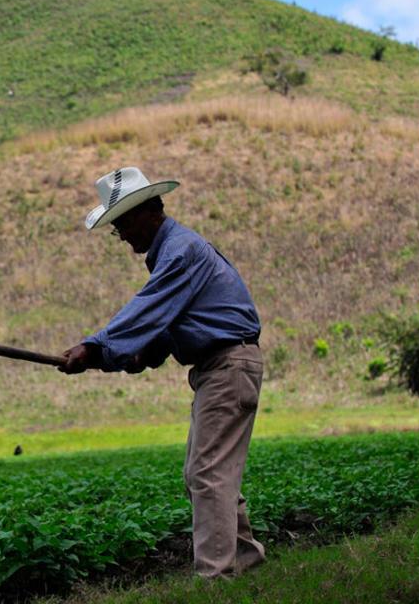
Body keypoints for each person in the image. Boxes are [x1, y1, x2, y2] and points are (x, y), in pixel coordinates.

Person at [59, 166, 266, 579]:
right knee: (204, 474)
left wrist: (95, 347)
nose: (123, 234)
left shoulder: (180, 252)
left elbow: (148, 308)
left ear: (153, 209)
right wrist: (135, 356)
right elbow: (168, 325)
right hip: (220, 369)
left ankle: (215, 578)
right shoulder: (175, 253)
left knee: (207, 473)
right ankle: (244, 561)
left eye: (125, 221)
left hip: (228, 367)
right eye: (117, 226)